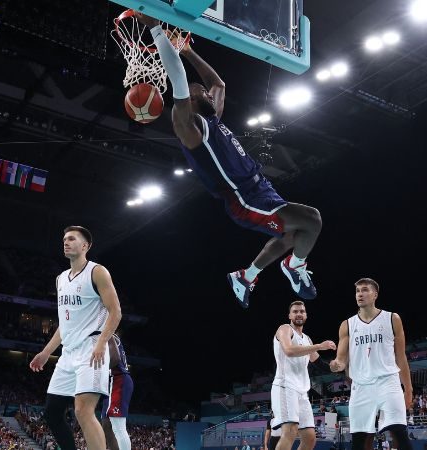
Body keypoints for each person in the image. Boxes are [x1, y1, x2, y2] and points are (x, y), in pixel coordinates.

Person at [134, 12, 323, 308]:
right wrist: (157, 30)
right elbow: (180, 83)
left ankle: (245, 277)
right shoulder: (190, 129)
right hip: (243, 197)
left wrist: (187, 50)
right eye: (200, 92)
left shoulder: (214, 120)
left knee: (293, 235)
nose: (208, 92)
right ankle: (294, 267)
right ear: (192, 101)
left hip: (260, 188)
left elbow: (219, 84)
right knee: (312, 219)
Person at [29, 226, 122, 450]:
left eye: (71, 239)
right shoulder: (61, 279)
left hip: (91, 350)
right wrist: (46, 352)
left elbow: (116, 311)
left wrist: (101, 344)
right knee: (52, 413)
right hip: (68, 353)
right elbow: (65, 325)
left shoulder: (97, 272)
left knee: (83, 410)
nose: (66, 242)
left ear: (85, 246)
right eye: (64, 239)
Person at [329, 278, 413, 450]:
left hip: (388, 382)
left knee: (400, 435)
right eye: (358, 290)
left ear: (375, 294)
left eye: (365, 290)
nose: (360, 294)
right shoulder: (347, 325)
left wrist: (409, 389)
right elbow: (341, 359)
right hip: (360, 386)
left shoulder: (392, 318)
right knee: (359, 442)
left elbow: (401, 357)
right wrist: (336, 365)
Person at [271, 301, 336, 450]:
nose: (299, 314)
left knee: (309, 438)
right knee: (290, 431)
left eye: (302, 311)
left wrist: (336, 366)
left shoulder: (306, 339)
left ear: (306, 315)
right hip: (285, 386)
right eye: (295, 311)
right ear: (289, 315)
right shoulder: (285, 329)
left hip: (302, 392)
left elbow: (320, 364)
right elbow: (289, 350)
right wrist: (320, 346)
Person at [101, 333, 133, 450]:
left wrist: (98, 370)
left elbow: (115, 359)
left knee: (118, 427)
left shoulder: (108, 333)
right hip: (113, 381)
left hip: (118, 379)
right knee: (106, 424)